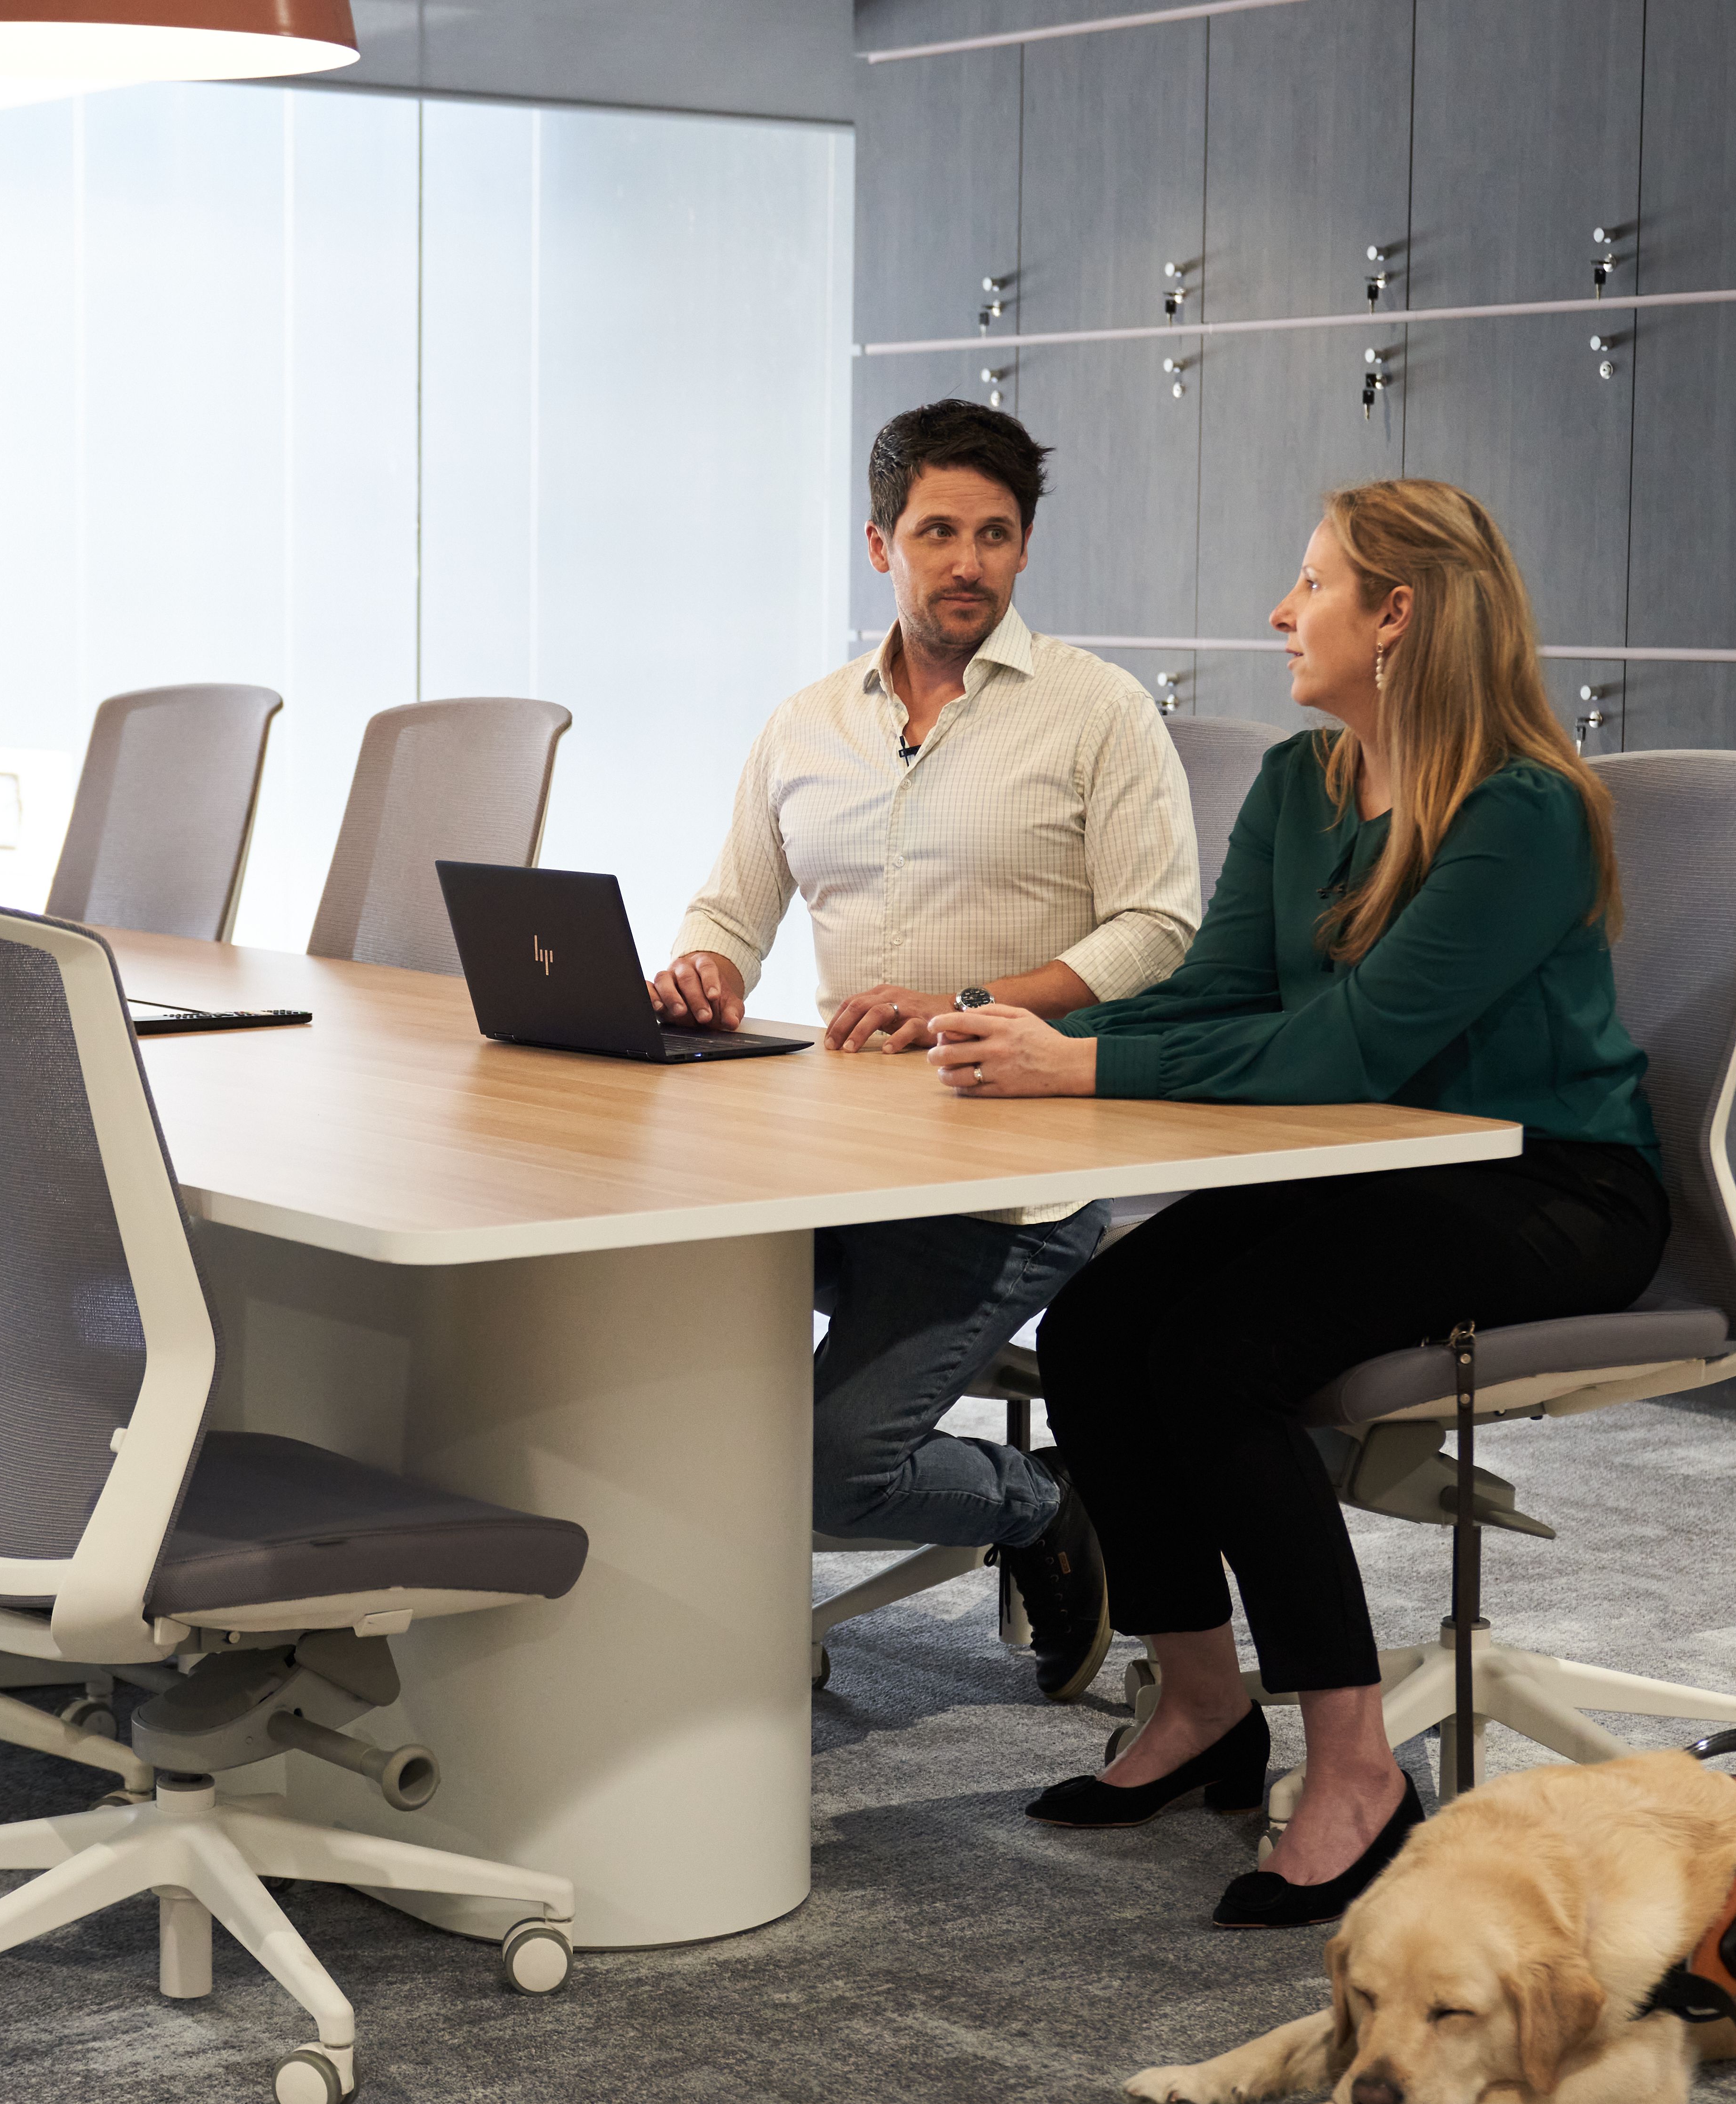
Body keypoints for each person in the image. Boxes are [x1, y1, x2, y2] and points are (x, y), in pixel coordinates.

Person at [920, 478, 1668, 1927]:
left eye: (1311, 583)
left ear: (1397, 615)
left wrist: (1084, 1074)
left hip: (1547, 1183)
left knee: (1216, 1358)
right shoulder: (1300, 784)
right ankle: (1203, 1701)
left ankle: (1354, 1767)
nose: (1280, 610)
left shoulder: (1524, 813)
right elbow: (1218, 992)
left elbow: (1351, 1046)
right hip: (1372, 1168)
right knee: (1099, 1323)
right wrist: (1021, 1030)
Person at [656, 398, 1201, 1699]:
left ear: (1023, 552)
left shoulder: (1096, 712)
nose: (967, 561)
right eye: (938, 531)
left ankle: (1042, 1501)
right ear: (878, 543)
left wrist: (967, 998)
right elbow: (731, 909)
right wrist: (704, 969)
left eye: (996, 535)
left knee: (824, 1467)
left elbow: (1160, 927)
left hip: (1012, 1182)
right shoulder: (805, 725)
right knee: (634, 1362)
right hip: (837, 1165)